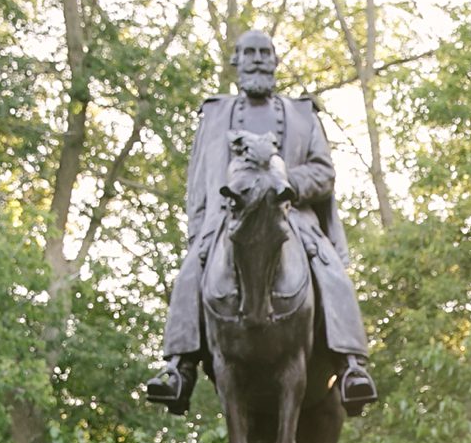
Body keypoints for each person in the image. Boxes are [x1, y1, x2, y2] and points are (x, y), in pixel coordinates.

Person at [141, 28, 376, 417]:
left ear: (276, 60)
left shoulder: (302, 114)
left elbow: (323, 172)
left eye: (265, 53)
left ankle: (351, 367)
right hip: (226, 218)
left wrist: (286, 186)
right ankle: (178, 367)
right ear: (235, 61)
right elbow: (199, 181)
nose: (257, 60)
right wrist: (197, 234)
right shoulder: (214, 113)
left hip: (291, 215)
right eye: (248, 53)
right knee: (189, 274)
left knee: (331, 272)